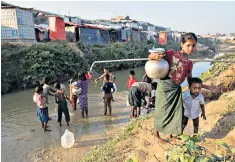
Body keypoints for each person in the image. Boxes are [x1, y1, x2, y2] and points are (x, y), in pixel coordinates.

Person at [148, 32, 220, 142]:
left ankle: (171, 135)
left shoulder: (189, 63)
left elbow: (191, 81)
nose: (191, 48)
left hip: (176, 89)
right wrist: (154, 56)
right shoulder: (171, 54)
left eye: (193, 45)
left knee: (177, 113)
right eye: (188, 45)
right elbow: (150, 57)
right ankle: (156, 133)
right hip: (164, 87)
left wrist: (208, 87)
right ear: (182, 44)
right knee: (161, 111)